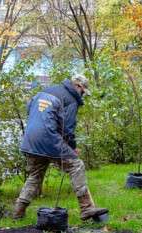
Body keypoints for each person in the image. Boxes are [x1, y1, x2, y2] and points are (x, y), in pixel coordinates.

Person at [13, 74, 108, 220]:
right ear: (78, 86)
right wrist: (72, 147)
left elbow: (30, 111)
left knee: (35, 175)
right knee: (77, 165)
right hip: (49, 139)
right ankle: (86, 208)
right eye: (83, 91)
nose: (82, 95)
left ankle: (18, 212)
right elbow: (67, 128)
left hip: (30, 139)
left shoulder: (46, 91)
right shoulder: (71, 99)